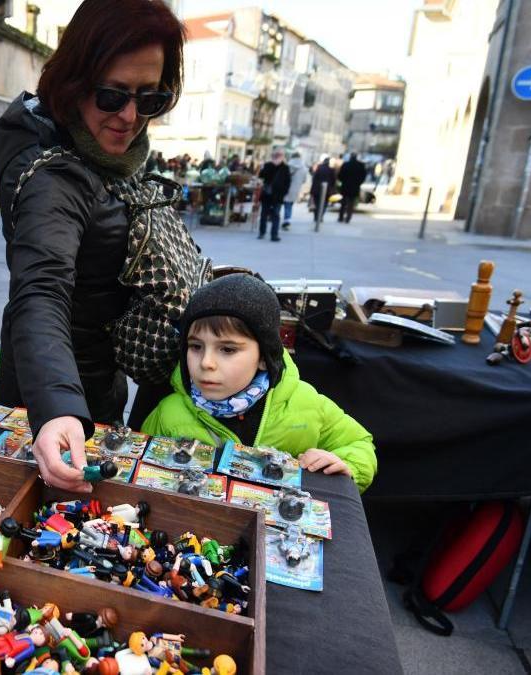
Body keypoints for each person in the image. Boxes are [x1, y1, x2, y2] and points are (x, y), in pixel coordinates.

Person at [0, 0, 207, 493]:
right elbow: (40, 291)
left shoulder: (109, 163)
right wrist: (56, 409)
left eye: (149, 99)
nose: (130, 116)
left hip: (101, 376)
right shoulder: (55, 176)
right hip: (59, 393)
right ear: (74, 83)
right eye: (113, 96)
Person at [141, 274, 376, 492]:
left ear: (265, 357)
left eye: (227, 349)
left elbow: (360, 444)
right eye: (196, 346)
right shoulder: (168, 414)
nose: (206, 363)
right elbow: (140, 471)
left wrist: (347, 465)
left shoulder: (306, 405)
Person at [256, 150, 290, 242]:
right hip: (273, 195)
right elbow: (287, 182)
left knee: (267, 214)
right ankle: (272, 234)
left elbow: (261, 176)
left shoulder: (282, 167)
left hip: (272, 194)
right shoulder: (282, 167)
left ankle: (264, 233)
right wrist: (284, 193)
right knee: (273, 215)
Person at [337, 153, 367, 223]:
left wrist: (343, 181)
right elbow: (363, 176)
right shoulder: (360, 165)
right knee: (351, 203)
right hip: (355, 187)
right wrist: (359, 183)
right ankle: (348, 217)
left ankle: (341, 217)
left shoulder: (346, 164)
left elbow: (340, 175)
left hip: (345, 186)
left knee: (343, 203)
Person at [281, 151, 305, 231]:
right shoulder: (303, 167)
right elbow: (304, 180)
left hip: (287, 188)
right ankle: (287, 219)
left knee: (287, 204)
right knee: (290, 204)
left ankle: (286, 220)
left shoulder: (288, 165)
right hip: (296, 189)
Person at [310, 155, 335, 222]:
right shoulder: (331, 170)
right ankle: (320, 216)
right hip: (327, 190)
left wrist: (312, 189)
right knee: (324, 204)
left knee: (317, 203)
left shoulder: (319, 168)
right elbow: (333, 181)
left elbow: (314, 179)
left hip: (317, 189)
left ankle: (316, 216)